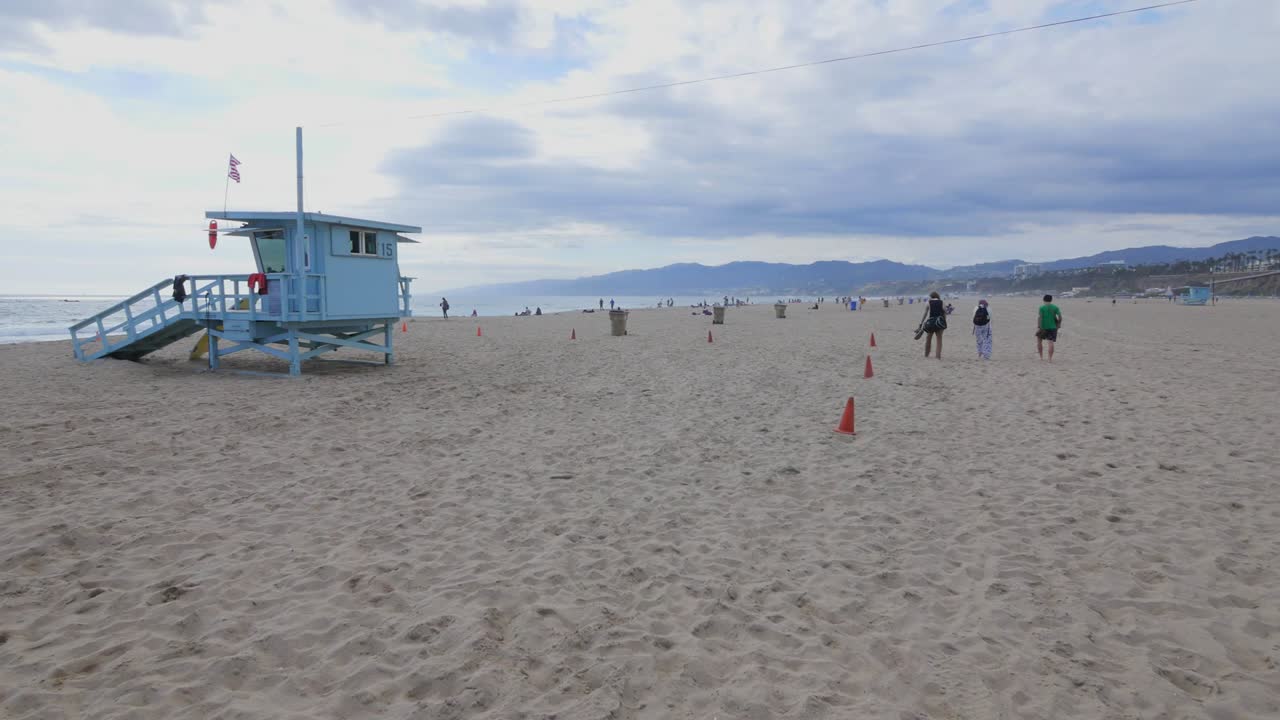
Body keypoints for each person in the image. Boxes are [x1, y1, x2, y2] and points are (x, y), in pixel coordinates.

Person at [918, 291, 946, 359]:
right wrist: (944, 321)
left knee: (928, 338)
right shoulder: (942, 302)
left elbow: (925, 314)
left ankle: (926, 354)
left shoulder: (928, 302)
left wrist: (921, 322)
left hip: (931, 322)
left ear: (931, 296)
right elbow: (945, 312)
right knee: (939, 340)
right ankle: (938, 356)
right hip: (939, 322)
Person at [1037, 294, 1063, 362]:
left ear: (1044, 300)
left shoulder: (1042, 308)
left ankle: (1041, 357)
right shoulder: (1055, 307)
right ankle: (1050, 359)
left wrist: (1039, 326)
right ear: (1051, 300)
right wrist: (1059, 324)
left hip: (1043, 327)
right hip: (1053, 327)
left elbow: (1040, 318)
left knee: (1039, 341)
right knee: (1050, 343)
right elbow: (1060, 317)